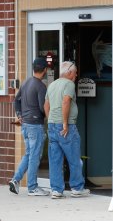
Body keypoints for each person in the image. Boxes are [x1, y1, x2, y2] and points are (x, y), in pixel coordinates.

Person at [44, 61, 90, 199]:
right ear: (69, 73)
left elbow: (46, 105)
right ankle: (77, 188)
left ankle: (56, 190)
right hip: (66, 126)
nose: (76, 76)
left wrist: (51, 119)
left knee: (55, 159)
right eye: (75, 73)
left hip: (52, 125)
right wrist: (64, 123)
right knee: (74, 157)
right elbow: (66, 101)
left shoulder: (52, 84)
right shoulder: (69, 84)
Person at [9, 58, 49, 196]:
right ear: (45, 70)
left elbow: (16, 100)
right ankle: (32, 187)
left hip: (25, 124)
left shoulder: (26, 83)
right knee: (34, 156)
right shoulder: (41, 86)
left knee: (29, 154)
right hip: (35, 125)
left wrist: (19, 115)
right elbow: (41, 107)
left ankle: (15, 180)